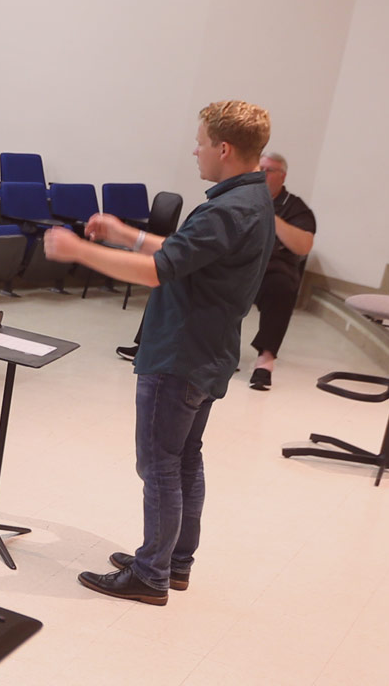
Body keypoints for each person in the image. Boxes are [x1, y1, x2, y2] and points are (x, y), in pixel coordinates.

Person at [44, 100, 275, 605]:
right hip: (209, 350)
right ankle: (174, 561)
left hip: (181, 354)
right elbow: (186, 252)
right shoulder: (252, 199)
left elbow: (156, 271)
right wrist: (126, 234)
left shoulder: (227, 209)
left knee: (161, 464)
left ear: (224, 148)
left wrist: (77, 250)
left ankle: (151, 574)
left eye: (200, 141)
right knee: (185, 458)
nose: (195, 150)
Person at [249, 150, 316, 390]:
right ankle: (147, 343)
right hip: (240, 263)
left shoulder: (296, 207)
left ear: (283, 176)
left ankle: (265, 361)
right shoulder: (243, 197)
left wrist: (270, 213)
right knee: (185, 272)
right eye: (260, 170)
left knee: (283, 288)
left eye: (269, 171)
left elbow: (303, 245)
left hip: (273, 268)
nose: (263, 175)